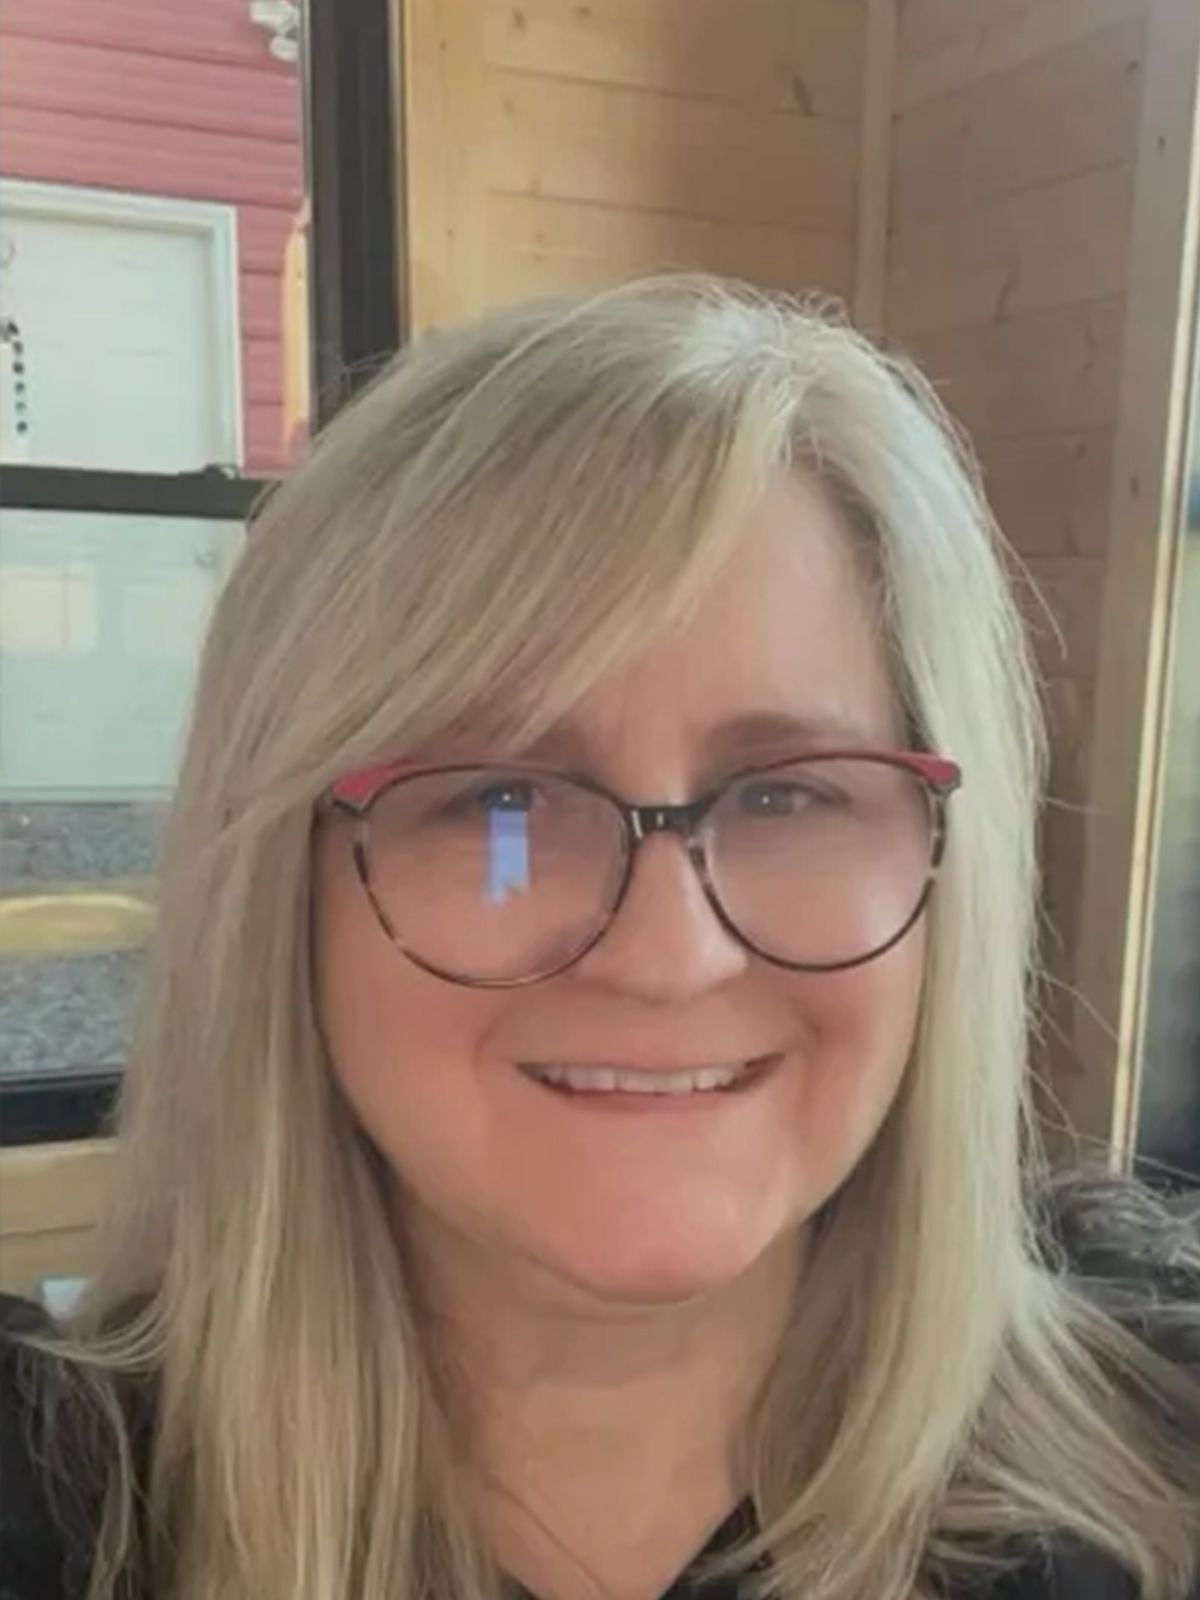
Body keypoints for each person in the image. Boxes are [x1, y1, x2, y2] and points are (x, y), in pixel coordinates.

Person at [2, 277, 1198, 1600]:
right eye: (501, 800)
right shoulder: (57, 1510)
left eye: (788, 794)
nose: (667, 956)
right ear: (284, 893)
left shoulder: (1164, 1454)